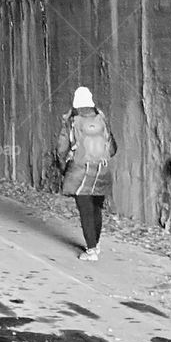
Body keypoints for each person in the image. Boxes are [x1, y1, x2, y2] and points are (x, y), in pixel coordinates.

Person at [56, 86, 118, 261]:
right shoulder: (101, 119)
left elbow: (61, 148)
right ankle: (95, 244)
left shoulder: (72, 120)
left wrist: (64, 164)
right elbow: (113, 148)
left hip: (81, 169)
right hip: (102, 169)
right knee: (96, 207)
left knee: (85, 209)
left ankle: (91, 251)